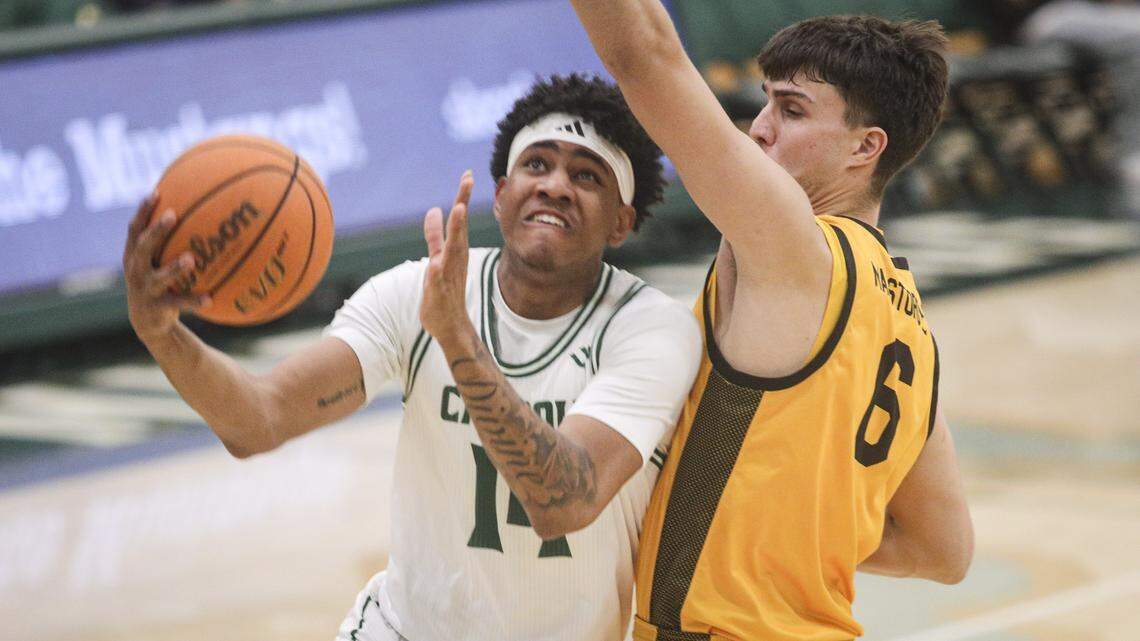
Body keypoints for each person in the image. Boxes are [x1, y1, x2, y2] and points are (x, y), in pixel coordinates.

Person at [121, 74, 701, 641]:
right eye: (536, 164)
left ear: (622, 222)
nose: (554, 185)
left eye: (587, 175)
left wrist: (458, 342)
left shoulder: (649, 330)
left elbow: (564, 501)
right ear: (501, 196)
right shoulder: (413, 293)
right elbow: (259, 419)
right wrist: (161, 333)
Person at [568, 4, 975, 640]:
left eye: (791, 109)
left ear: (866, 147)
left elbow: (644, 57)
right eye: (766, 103)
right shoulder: (912, 332)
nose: (759, 129)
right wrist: (791, 531)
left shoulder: (795, 247)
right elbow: (943, 552)